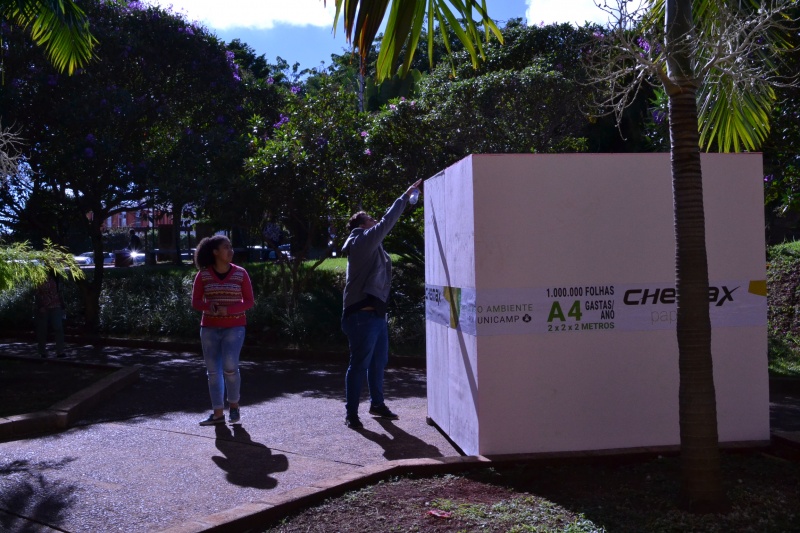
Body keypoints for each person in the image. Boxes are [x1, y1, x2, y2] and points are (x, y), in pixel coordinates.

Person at [341, 179, 422, 429]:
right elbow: (388, 221)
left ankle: (377, 404)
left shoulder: (370, 245)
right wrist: (405, 194)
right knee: (359, 364)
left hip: (375, 314)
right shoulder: (362, 241)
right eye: (371, 219)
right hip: (361, 316)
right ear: (363, 225)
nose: (375, 221)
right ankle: (351, 414)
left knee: (378, 362)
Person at [191, 235, 254, 426]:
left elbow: (249, 301)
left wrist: (230, 310)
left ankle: (233, 405)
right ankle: (218, 413)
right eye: (226, 247)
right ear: (215, 252)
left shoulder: (240, 273)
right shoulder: (203, 275)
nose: (230, 251)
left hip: (234, 328)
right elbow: (195, 302)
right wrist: (208, 306)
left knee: (230, 367)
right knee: (213, 372)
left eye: (231, 247)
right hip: (209, 328)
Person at [35, 270, 66, 358]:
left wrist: (63, 305)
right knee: (42, 329)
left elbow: (60, 292)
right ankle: (42, 351)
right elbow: (37, 293)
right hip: (43, 307)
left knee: (58, 327)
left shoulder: (56, 277)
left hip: (56, 305)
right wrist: (40, 306)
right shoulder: (39, 277)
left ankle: (60, 351)